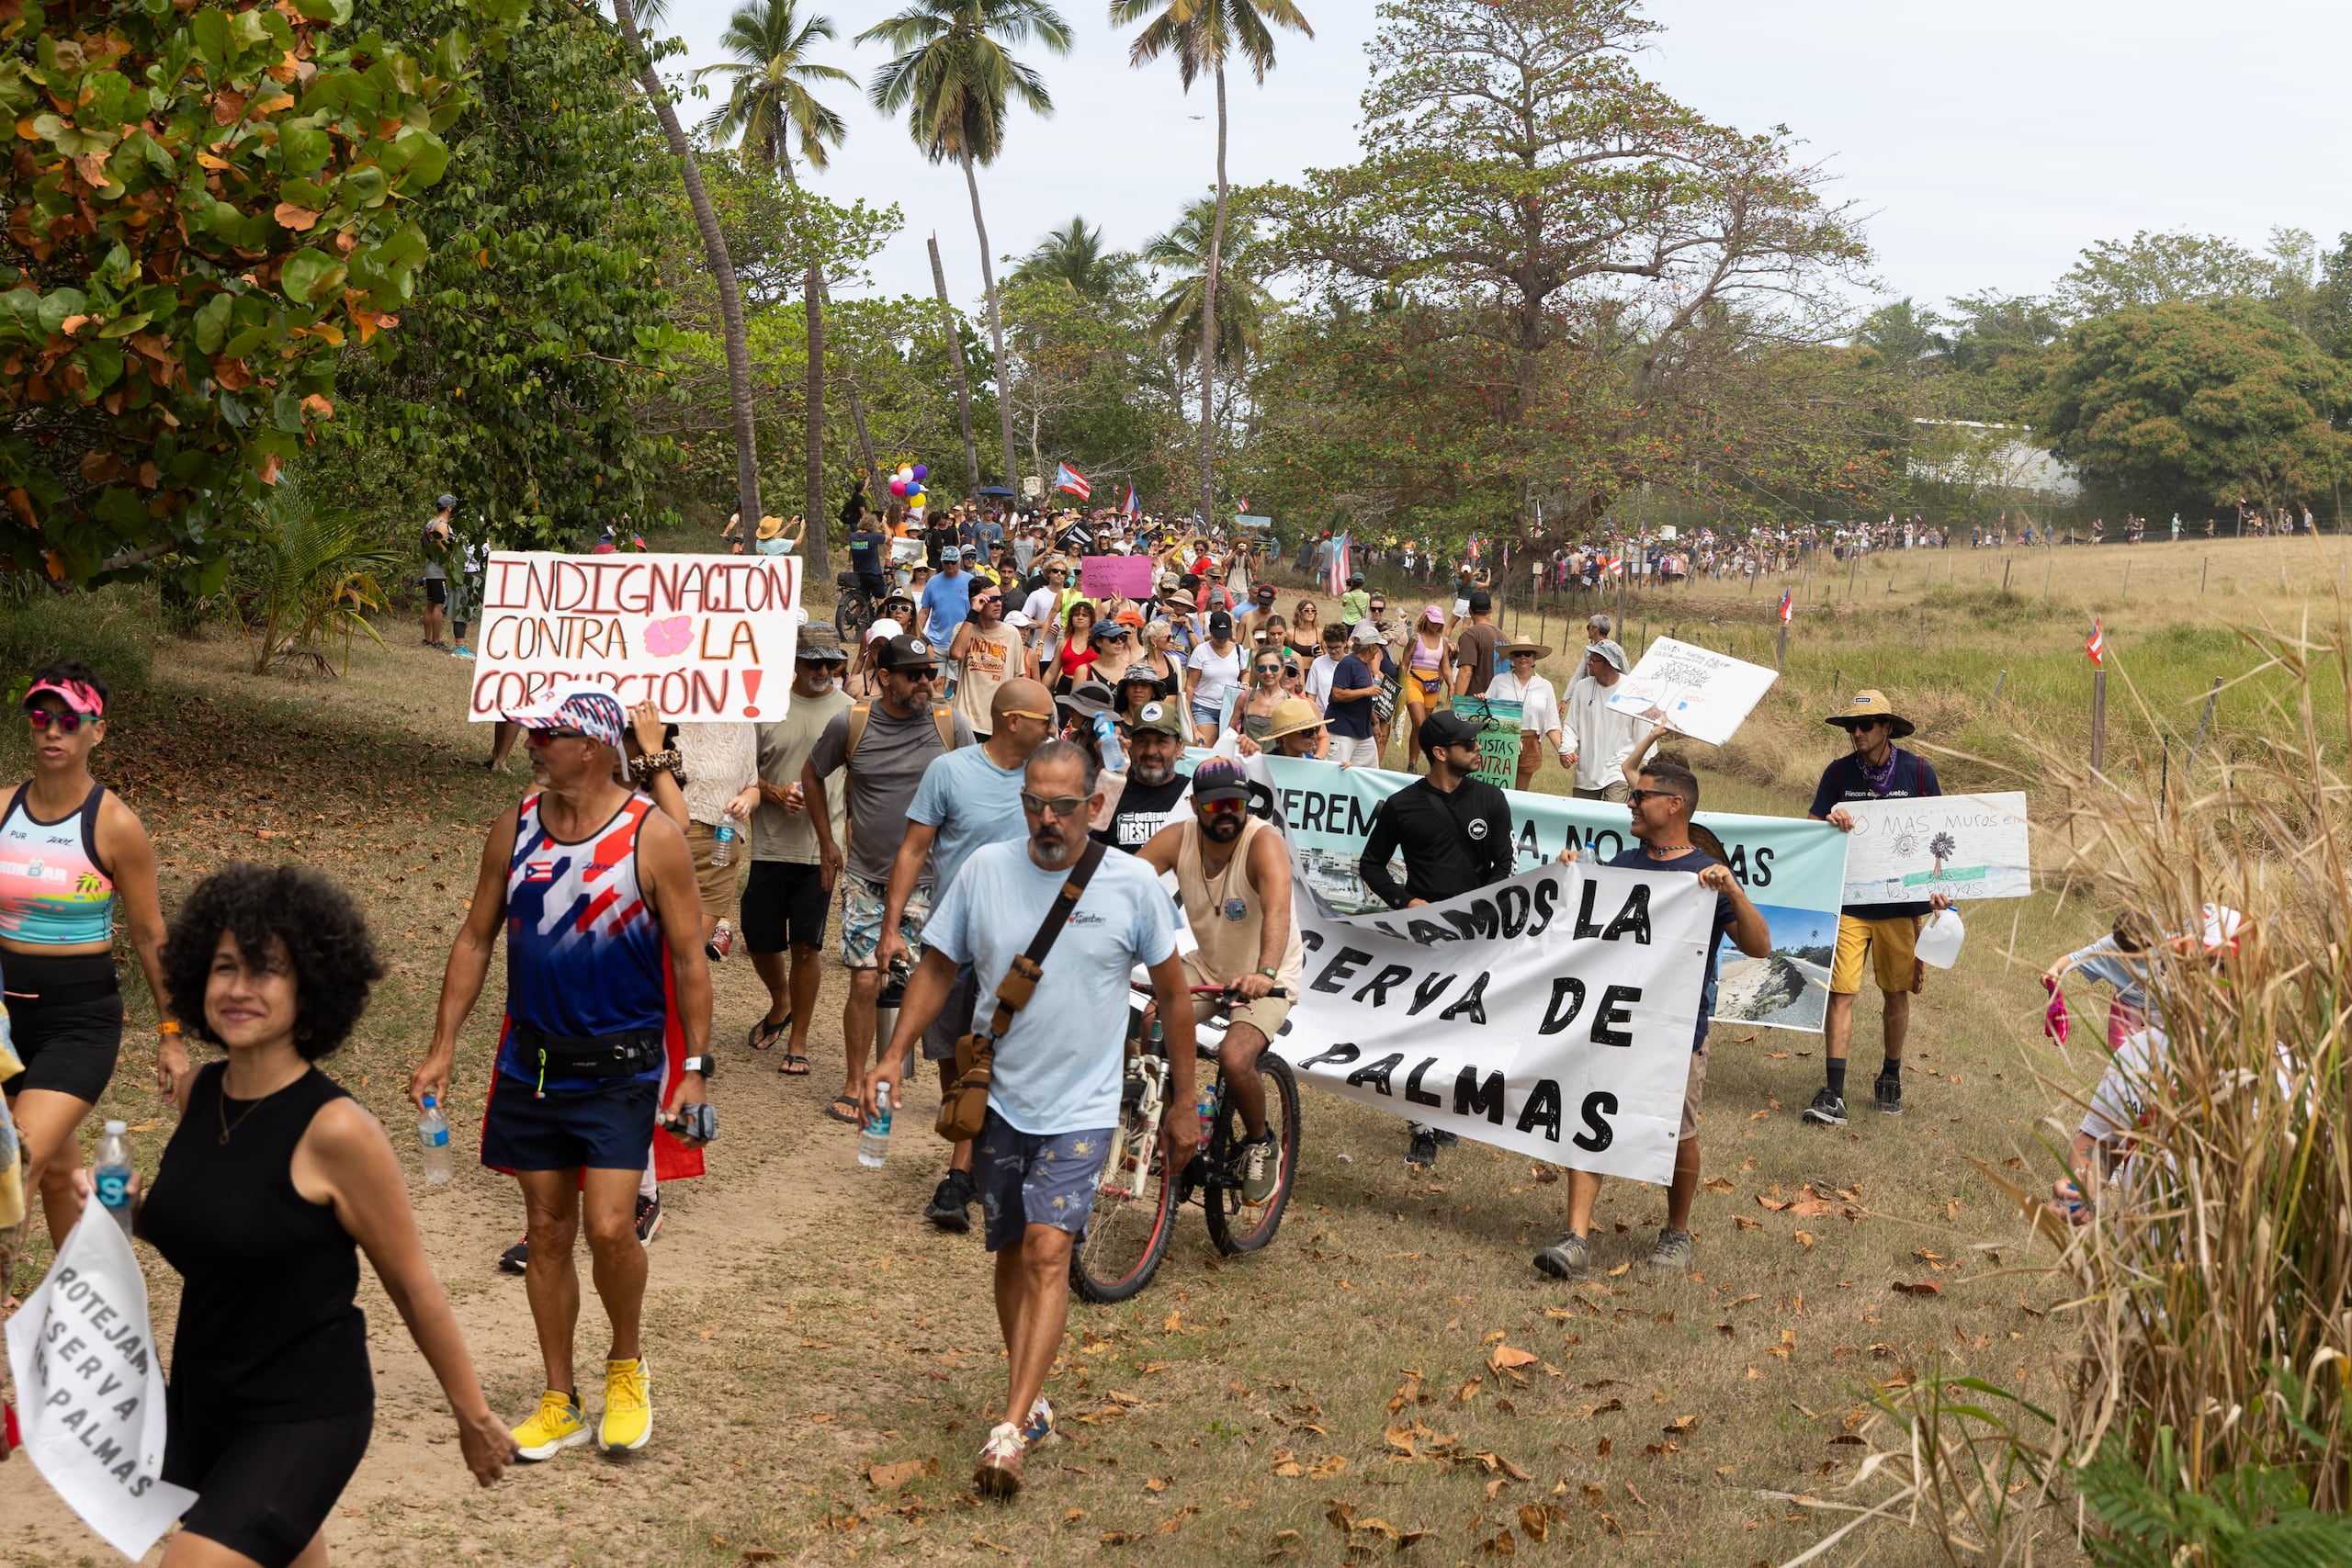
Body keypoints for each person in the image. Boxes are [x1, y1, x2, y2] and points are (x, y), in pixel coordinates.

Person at [126, 865, 512, 1566]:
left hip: (303, 1411)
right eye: (223, 967)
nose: (238, 988)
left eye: (266, 970)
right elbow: (208, 1234)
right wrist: (129, 1210)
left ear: (311, 988)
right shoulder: (199, 1092)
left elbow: (413, 1283)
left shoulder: (338, 1129)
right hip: (207, 1400)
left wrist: (472, 1413)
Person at [863, 740, 1196, 1498]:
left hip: (1080, 1107)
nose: (1048, 820)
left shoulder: (1132, 886)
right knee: (1011, 1252)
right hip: (1000, 1098)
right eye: (1035, 805)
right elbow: (939, 966)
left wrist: (1182, 1101)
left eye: (1064, 807)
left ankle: (1008, 1431)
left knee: (1049, 1251)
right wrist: (893, 1056)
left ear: (1096, 806)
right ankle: (1033, 1395)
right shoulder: (984, 872)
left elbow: (1174, 996)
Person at [411, 683, 714, 1460]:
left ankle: (625, 1365)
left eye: (549, 733)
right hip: (533, 1064)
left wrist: (697, 1068)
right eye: (533, 732)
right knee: (546, 1230)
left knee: (611, 1226)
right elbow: (477, 936)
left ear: (596, 745)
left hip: (620, 1065)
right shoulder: (514, 825)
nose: (533, 742)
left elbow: (689, 957)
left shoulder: (652, 837)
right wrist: (444, 1044)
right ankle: (558, 1397)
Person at [1532, 759, 1770, 1281]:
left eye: (1640, 796)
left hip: (1676, 1033)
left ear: (1674, 804)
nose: (1631, 805)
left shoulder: (1704, 876)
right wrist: (1572, 875)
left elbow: (1760, 945)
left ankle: (1676, 1232)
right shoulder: (1620, 865)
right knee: (1588, 1117)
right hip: (1612, 1023)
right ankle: (1575, 1238)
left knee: (1677, 1132)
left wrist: (1731, 891)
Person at [1, 662, 176, 1251]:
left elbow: (151, 937)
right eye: (41, 717)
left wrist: (171, 1033)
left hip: (77, 1026)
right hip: (2, 1024)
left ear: (96, 732)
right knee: (53, 1173)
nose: (53, 730)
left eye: (69, 720)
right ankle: (87, 1298)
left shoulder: (115, 826)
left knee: (13, 1162)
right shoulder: (1, 810)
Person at [876, 680, 1057, 1232]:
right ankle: (975, 1156)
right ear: (1012, 722)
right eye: (1046, 720)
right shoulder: (949, 772)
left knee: (986, 1057)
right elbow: (912, 849)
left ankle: (958, 1177)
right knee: (954, 1058)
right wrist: (891, 928)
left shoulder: (1050, 779)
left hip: (1021, 948)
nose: (1054, 729)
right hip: (952, 943)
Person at [803, 635, 976, 1126]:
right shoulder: (851, 723)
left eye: (930, 673)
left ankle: (950, 1085)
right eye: (913, 674)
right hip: (866, 876)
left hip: (933, 879)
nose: (926, 682)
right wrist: (828, 840)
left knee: (935, 983)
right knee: (863, 980)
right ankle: (856, 1083)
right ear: (884, 677)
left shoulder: (949, 724)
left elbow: (976, 780)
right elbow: (813, 774)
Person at [1135, 757, 1299, 1202]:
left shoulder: (1263, 842)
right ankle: (1175, 1122)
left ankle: (1261, 1142)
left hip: (1269, 972)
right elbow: (1123, 881)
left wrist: (1265, 973)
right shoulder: (1177, 839)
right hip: (1208, 967)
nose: (1226, 813)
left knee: (1234, 1056)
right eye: (1214, 806)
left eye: (1235, 803)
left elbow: (1279, 911)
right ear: (1194, 805)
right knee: (1151, 1023)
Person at [1356, 709, 1514, 1167]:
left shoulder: (1491, 800)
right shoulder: (1402, 805)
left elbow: (1504, 864)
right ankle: (1421, 1128)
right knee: (1418, 1029)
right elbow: (1371, 864)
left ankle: (1446, 1113)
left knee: (1461, 1028)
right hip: (1421, 935)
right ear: (1441, 754)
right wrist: (1405, 903)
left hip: (1476, 934)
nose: (1479, 750)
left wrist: (1486, 907)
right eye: (1470, 745)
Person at [1803, 690, 1951, 1127]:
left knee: (1894, 992)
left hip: (1900, 906)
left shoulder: (1919, 772)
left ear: (1887, 728)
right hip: (1849, 903)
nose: (1857, 733)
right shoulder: (1837, 773)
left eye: (1866, 725)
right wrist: (1829, 824)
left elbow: (1941, 835)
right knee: (1841, 991)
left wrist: (1939, 891)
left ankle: (1890, 1074)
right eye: (1852, 726)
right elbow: (1811, 829)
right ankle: (1834, 1091)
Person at [740, 635, 854, 1076]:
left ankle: (800, 1039)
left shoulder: (850, 712)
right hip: (769, 847)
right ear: (795, 662)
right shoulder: (766, 707)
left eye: (832, 664)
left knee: (807, 946)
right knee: (760, 939)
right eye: (813, 663)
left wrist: (846, 838)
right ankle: (781, 1000)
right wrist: (771, 792)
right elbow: (744, 771)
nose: (823, 672)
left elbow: (859, 781)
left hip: (819, 852)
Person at [670, 720, 758, 962]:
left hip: (719, 844)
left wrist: (746, 801)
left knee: (690, 956)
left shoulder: (741, 724)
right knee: (661, 948)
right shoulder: (665, 711)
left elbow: (752, 786)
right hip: (667, 839)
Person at [2041, 910, 2159, 1054]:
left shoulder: (2168, 947)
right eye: (2126, 954)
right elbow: (2074, 958)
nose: (2132, 960)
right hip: (2125, 1011)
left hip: (2164, 1012)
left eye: (2137, 955)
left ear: (2151, 942)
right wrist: (2054, 969)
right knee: (2121, 1061)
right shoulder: (2109, 947)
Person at [1094, 700, 1194, 851]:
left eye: (1161, 742)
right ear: (1131, 746)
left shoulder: (1193, 793)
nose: (1150, 751)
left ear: (1179, 748)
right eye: (1142, 741)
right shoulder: (1112, 795)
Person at [950, 581, 1031, 741]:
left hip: (999, 723)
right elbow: (957, 653)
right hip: (967, 722)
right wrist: (973, 613)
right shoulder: (963, 628)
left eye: (1000, 599)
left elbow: (1019, 678)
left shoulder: (1011, 633)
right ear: (976, 600)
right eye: (992, 600)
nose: (998, 604)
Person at [1563, 639, 1643, 802]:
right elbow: (1571, 725)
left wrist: (1650, 764)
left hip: (1618, 770)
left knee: (1610, 818)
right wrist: (1566, 749)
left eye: (1593, 660)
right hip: (1586, 771)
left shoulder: (1631, 689)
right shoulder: (1581, 687)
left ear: (1608, 664)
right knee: (1581, 821)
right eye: (1589, 658)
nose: (1588, 663)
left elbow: (1643, 729)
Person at [1487, 642, 1568, 791]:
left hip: (1530, 743)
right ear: (1512, 657)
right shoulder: (1499, 681)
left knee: (1519, 792)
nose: (1522, 657)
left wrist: (1563, 751)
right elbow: (1486, 712)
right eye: (1518, 654)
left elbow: (1551, 724)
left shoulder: (1545, 686)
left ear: (1534, 658)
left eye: (1527, 654)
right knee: (1496, 790)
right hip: (1501, 743)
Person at [1323, 623, 1386, 767]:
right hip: (1342, 731)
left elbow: (1365, 699)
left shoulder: (1364, 665)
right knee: (1337, 772)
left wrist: (1374, 722)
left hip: (1362, 731)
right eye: (1379, 646)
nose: (1379, 650)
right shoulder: (1348, 663)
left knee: (1370, 771)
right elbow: (1337, 694)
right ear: (1371, 646)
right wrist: (1367, 691)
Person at [1403, 605, 1453, 769]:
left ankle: (1413, 762)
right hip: (1414, 681)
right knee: (1419, 723)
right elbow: (1405, 664)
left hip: (1433, 686)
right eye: (1432, 622)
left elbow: (1445, 666)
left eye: (1438, 623)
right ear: (1425, 619)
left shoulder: (1443, 642)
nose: (1435, 625)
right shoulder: (1416, 639)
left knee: (1423, 728)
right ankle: (1413, 762)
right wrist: (1400, 685)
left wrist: (1451, 686)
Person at [1186, 609, 1244, 742]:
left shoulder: (1238, 650)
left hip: (1231, 709)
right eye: (1218, 636)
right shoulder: (1201, 651)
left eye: (1225, 636)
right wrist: (1187, 709)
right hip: (1204, 707)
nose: (1222, 640)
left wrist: (1245, 683)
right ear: (1211, 632)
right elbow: (1190, 684)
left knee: (1228, 748)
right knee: (1206, 746)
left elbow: (1245, 672)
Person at [419, 492, 457, 649]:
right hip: (438, 569)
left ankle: (427, 638)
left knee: (430, 603)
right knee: (438, 605)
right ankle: (436, 640)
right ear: (449, 508)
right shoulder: (441, 525)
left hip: (430, 566)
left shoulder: (430, 523)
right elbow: (443, 548)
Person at [918, 546, 975, 646]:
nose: (950, 565)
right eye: (946, 562)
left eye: (953, 562)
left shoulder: (970, 581)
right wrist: (916, 635)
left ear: (959, 561)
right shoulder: (933, 582)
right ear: (941, 562)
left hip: (962, 641)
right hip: (936, 642)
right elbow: (924, 611)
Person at [1453, 589, 1501, 699]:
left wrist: (1456, 704)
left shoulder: (1470, 635)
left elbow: (1466, 672)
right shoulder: (1504, 637)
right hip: (1499, 704)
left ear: (1469, 610)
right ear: (1491, 609)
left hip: (1476, 704)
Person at [1259, 696, 1329, 760]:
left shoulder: (1314, 765)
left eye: (1316, 729)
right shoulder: (1264, 765)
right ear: (1284, 737)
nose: (1314, 736)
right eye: (1307, 732)